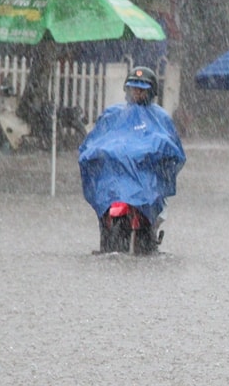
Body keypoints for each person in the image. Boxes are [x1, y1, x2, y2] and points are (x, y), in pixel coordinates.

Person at [78, 66, 186, 253]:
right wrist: (96, 155)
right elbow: (95, 141)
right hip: (114, 179)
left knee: (151, 210)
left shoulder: (160, 118)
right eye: (133, 88)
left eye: (141, 90)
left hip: (145, 179)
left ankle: (148, 238)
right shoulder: (113, 114)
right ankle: (106, 238)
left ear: (151, 92)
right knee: (105, 209)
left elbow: (173, 150)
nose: (137, 93)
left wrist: (155, 158)